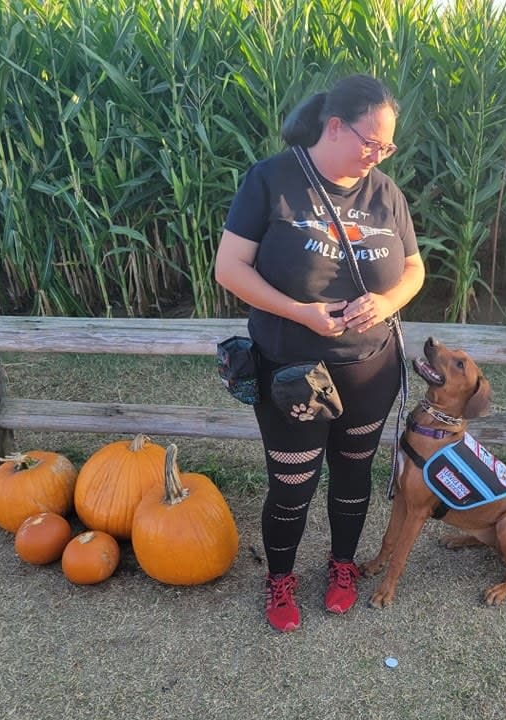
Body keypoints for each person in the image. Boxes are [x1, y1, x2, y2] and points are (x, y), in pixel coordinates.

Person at [214, 74, 425, 632]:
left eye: (387, 148)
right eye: (370, 143)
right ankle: (280, 577)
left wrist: (385, 303)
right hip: (293, 371)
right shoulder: (272, 180)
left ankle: (341, 567)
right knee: (293, 483)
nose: (377, 156)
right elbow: (229, 269)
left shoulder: (386, 194)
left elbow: (413, 268)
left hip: (370, 367)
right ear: (334, 126)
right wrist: (298, 311)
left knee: (353, 477)